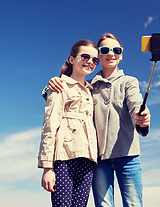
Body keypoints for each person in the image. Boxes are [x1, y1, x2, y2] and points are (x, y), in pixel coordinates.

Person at [45, 33, 151, 207]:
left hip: (128, 156)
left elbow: (136, 105)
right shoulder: (89, 85)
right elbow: (66, 91)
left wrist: (142, 116)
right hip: (99, 159)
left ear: (121, 55)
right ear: (99, 55)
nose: (111, 53)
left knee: (133, 204)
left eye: (116, 50)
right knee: (103, 205)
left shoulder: (129, 82)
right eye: (105, 50)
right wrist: (51, 83)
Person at [38, 39, 101, 207]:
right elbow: (49, 127)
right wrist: (47, 168)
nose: (90, 62)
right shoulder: (60, 86)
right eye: (85, 56)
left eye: (95, 60)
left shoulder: (91, 91)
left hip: (88, 160)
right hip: (64, 159)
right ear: (72, 59)